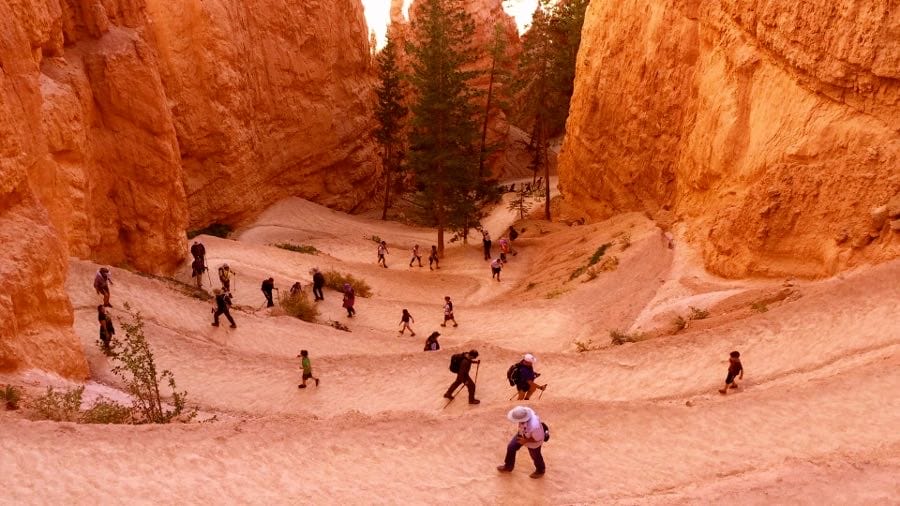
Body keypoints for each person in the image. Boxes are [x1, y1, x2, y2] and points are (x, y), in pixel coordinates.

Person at [497, 406, 545, 478]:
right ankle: (508, 466)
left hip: (533, 440)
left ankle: (540, 470)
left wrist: (525, 440)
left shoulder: (534, 426)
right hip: (523, 433)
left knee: (535, 455)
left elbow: (538, 438)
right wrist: (522, 434)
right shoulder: (526, 411)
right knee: (511, 447)